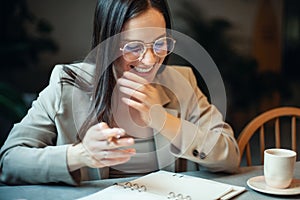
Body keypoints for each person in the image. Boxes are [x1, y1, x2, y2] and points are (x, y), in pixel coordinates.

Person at [0, 0, 240, 185]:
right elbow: (9, 161)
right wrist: (80, 155)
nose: (150, 59)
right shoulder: (67, 83)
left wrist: (163, 120)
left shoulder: (181, 82)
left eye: (160, 43)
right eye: (134, 47)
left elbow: (229, 156)